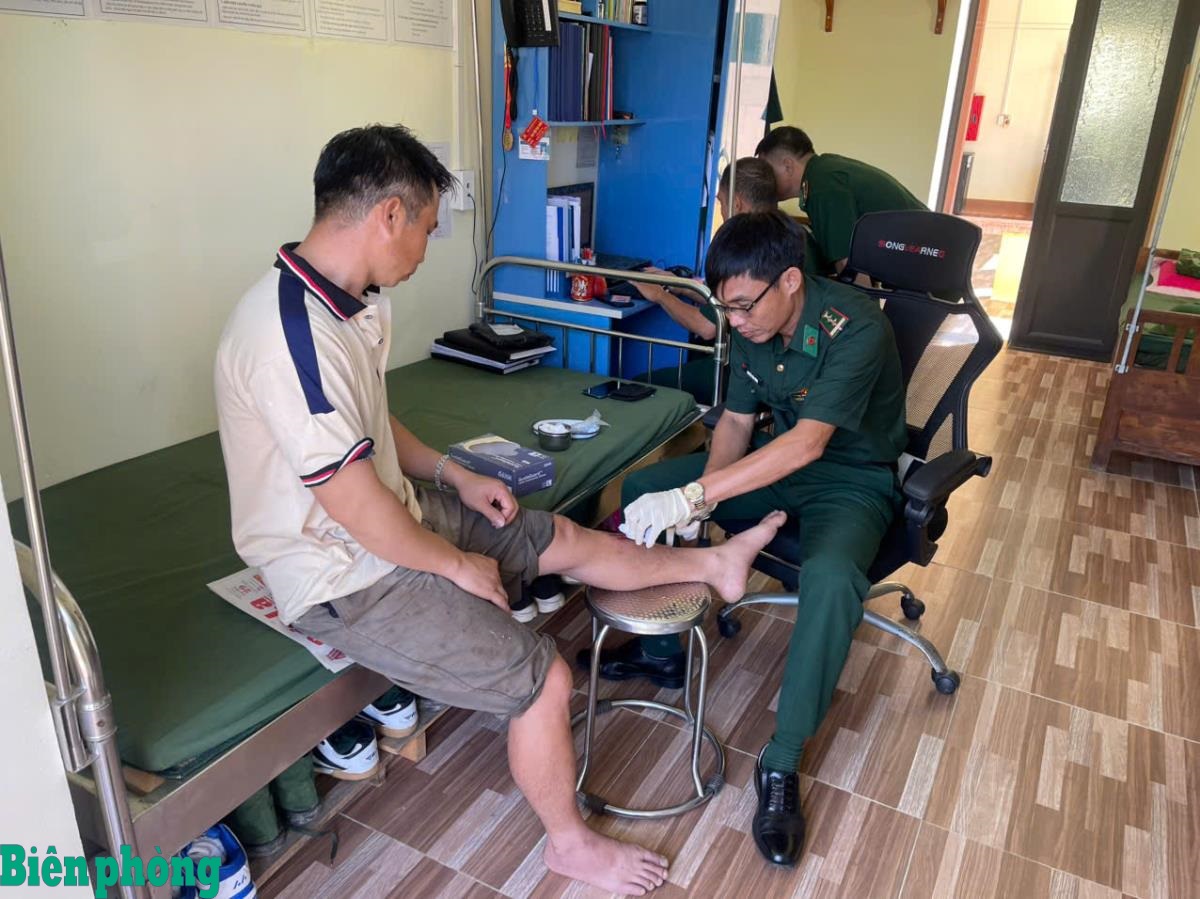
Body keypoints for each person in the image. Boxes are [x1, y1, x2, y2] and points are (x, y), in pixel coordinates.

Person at [214, 124, 788, 897]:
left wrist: (454, 473)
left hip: (392, 516)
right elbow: (350, 503)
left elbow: (370, 427)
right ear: (388, 214)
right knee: (544, 679)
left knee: (559, 535)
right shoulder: (290, 336)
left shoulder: (350, 303)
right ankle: (569, 845)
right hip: (340, 571)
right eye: (426, 226)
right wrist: (458, 564)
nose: (426, 248)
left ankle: (714, 562)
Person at [584, 211, 907, 867]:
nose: (732, 322)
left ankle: (781, 761)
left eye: (742, 306)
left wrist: (699, 498)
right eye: (723, 307)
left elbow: (808, 443)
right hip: (770, 465)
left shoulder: (855, 327)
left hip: (848, 480)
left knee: (831, 577)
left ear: (790, 279)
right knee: (643, 490)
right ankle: (664, 652)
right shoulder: (753, 322)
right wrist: (700, 495)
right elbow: (735, 422)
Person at [628, 157, 780, 403]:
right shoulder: (787, 235)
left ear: (737, 203)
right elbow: (729, 302)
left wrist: (659, 295)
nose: (722, 210)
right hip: (775, 365)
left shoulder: (746, 245)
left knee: (639, 384)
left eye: (721, 202)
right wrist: (684, 287)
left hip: (743, 370)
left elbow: (706, 327)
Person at [756, 125, 926, 275]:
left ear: (788, 166)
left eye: (766, 170)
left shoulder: (822, 186)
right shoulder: (824, 169)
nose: (763, 179)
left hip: (923, 258)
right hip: (927, 252)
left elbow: (850, 269)